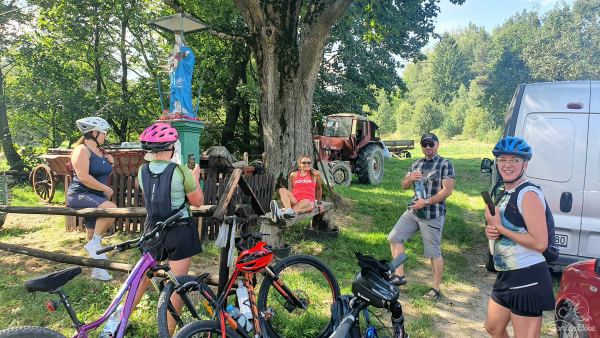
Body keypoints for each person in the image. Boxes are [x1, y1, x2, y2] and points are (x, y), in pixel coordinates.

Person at [130, 122, 204, 335]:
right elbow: (197, 202)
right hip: (180, 230)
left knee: (141, 279)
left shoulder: (142, 171)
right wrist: (195, 178)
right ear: (171, 147)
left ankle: (119, 321)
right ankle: (168, 333)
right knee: (177, 286)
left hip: (153, 229)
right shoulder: (182, 172)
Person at [484, 136, 555, 338]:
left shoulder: (528, 194)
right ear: (497, 162)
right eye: (503, 159)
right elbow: (504, 229)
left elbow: (540, 243)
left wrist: (500, 228)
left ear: (525, 164)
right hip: (507, 275)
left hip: (529, 275)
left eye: (514, 160)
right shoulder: (504, 191)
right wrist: (492, 231)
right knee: (493, 328)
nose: (507, 165)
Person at [387, 133, 455, 301]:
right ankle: (399, 276)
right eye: (425, 144)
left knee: (433, 252)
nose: (428, 148)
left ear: (437, 145)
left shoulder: (445, 164)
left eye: (431, 144)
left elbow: (447, 190)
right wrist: (410, 177)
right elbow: (403, 186)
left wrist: (426, 202)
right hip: (414, 211)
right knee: (395, 237)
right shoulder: (416, 163)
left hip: (432, 214)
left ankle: (436, 288)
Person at [66, 117, 116, 281]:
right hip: (79, 194)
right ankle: (94, 244)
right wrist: (106, 189)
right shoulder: (81, 150)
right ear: (94, 133)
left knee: (92, 230)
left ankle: (98, 270)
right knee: (112, 209)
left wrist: (110, 162)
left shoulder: (101, 151)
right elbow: (84, 177)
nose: (105, 136)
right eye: (103, 133)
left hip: (95, 196)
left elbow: (100, 171)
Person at [270, 154, 323, 222]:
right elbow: (291, 188)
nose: (306, 164)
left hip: (308, 201)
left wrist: (319, 204)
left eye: (309, 162)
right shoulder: (293, 175)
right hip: (295, 199)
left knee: (296, 208)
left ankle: (280, 213)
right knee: (282, 190)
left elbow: (318, 189)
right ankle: (287, 210)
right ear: (299, 165)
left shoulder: (315, 175)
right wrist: (287, 201)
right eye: (304, 162)